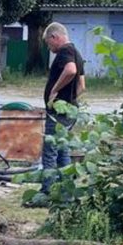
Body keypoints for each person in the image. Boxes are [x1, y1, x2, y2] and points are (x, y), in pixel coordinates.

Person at [33, 22, 86, 205]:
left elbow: (70, 71)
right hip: (69, 112)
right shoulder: (77, 53)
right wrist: (70, 100)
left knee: (50, 151)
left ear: (54, 37)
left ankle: (46, 193)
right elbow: (82, 86)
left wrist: (55, 91)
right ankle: (67, 193)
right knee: (63, 151)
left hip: (58, 114)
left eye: (49, 44)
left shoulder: (65, 52)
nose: (50, 48)